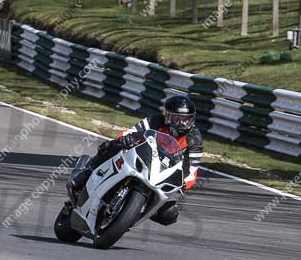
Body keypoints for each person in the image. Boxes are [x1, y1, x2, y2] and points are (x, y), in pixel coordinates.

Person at [67, 95, 202, 226]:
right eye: (177, 119)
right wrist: (125, 139)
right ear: (167, 116)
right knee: (110, 146)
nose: (181, 123)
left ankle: (136, 212)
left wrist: (184, 183)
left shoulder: (194, 139)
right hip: (144, 156)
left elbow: (192, 169)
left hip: (164, 173)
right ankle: (82, 177)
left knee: (170, 215)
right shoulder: (155, 121)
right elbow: (131, 131)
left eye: (186, 120)